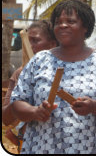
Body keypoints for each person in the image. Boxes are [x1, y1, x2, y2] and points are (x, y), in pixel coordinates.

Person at [7, 0, 96, 154]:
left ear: (85, 27)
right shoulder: (39, 60)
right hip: (44, 148)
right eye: (58, 22)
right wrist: (35, 112)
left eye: (70, 21)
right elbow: (17, 103)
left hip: (93, 148)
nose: (63, 25)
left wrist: (94, 106)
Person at [2, 20, 58, 152]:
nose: (29, 46)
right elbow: (5, 117)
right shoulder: (20, 73)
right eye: (27, 41)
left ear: (52, 44)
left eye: (35, 41)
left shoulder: (65, 72)